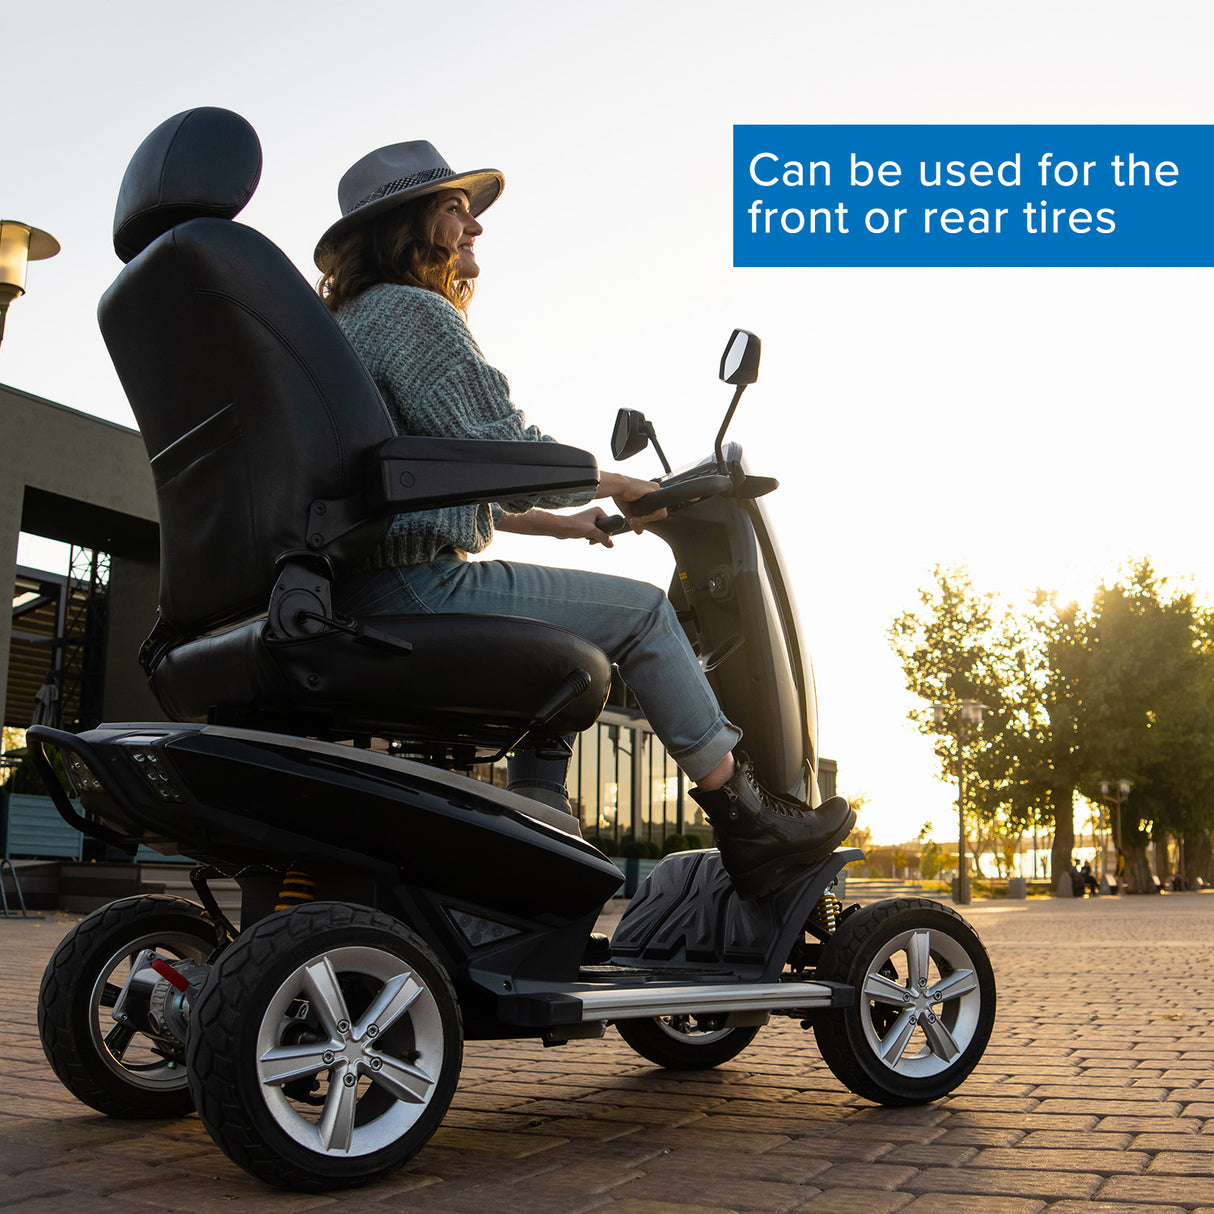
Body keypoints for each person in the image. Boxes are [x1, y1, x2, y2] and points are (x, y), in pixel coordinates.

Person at [313, 140, 854, 901]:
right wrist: (618, 480)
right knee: (641, 614)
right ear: (410, 226)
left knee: (570, 648)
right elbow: (501, 447)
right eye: (456, 210)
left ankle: (539, 818)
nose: (475, 229)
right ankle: (748, 817)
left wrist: (574, 524)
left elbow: (456, 479)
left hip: (366, 586)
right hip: (408, 588)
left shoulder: (357, 319)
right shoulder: (412, 314)